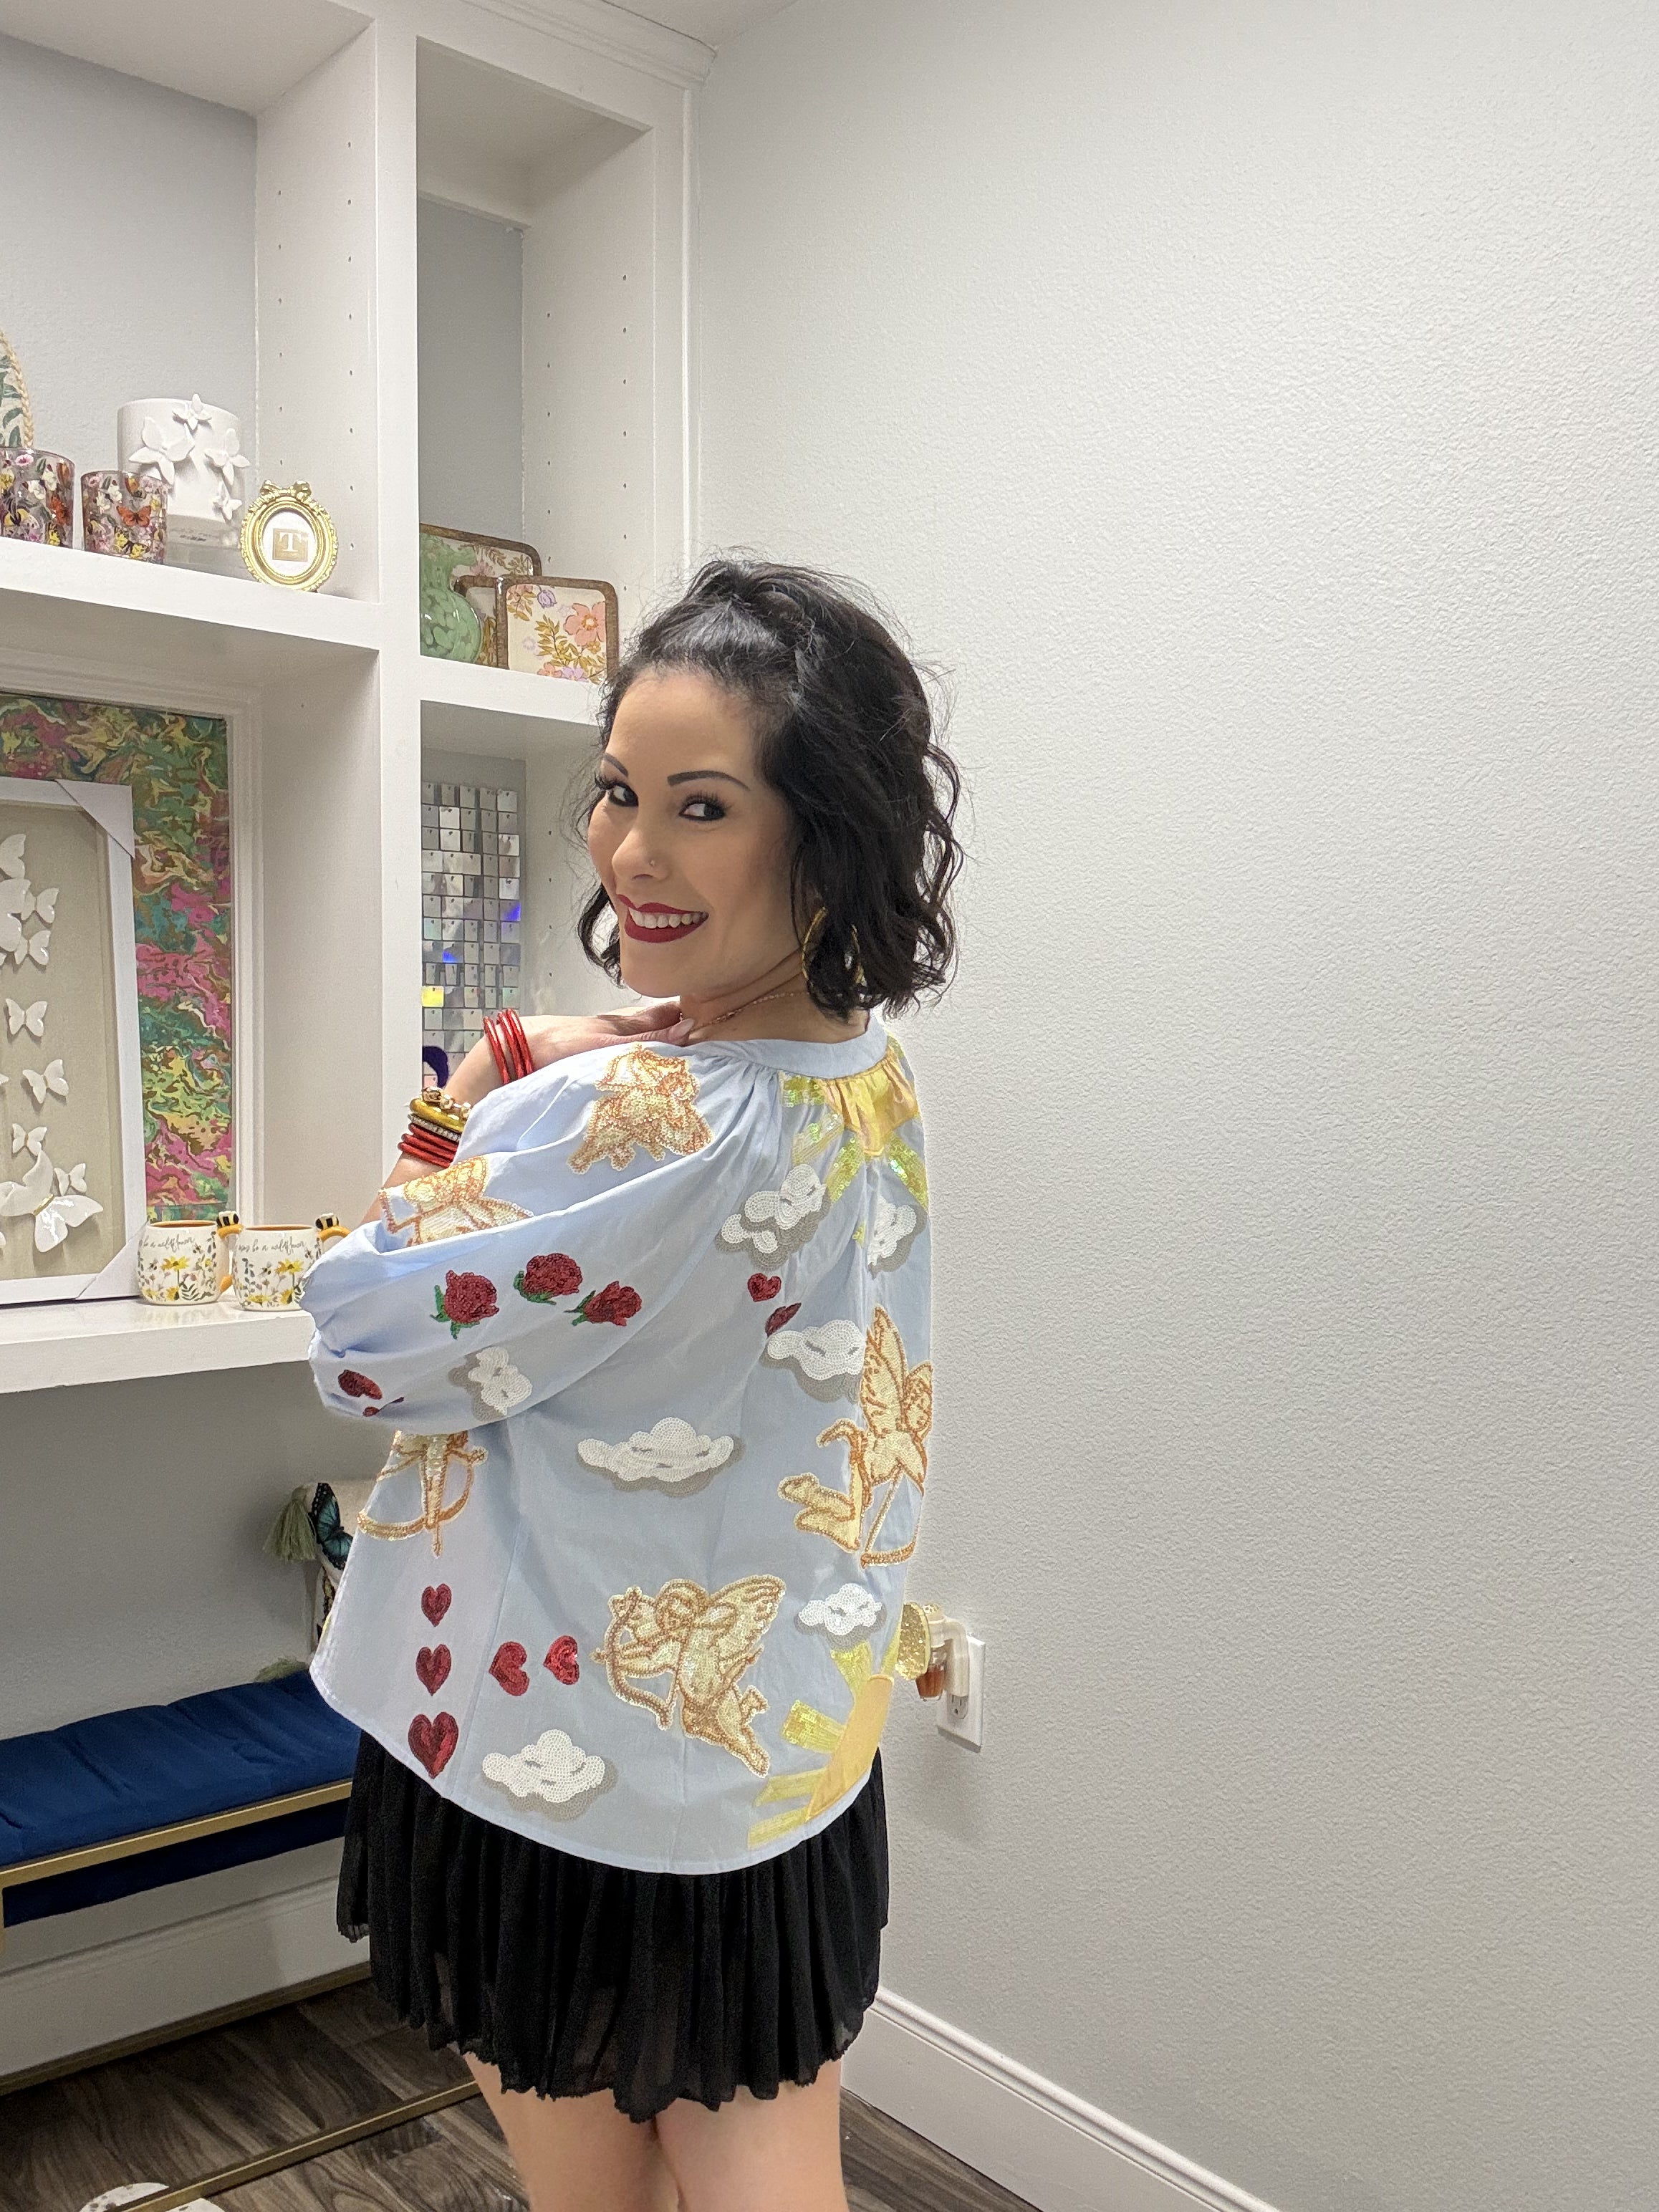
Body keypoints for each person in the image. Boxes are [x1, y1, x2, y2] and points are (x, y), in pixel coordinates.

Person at [300, 558, 963, 2212]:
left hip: (558, 1749)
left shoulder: (615, 1119)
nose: (631, 851)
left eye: (701, 806)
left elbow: (364, 1343)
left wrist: (473, 1079)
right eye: (617, 791)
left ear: (825, 832)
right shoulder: (870, 1077)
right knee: (760, 2148)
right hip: (777, 1751)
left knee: (595, 2184)